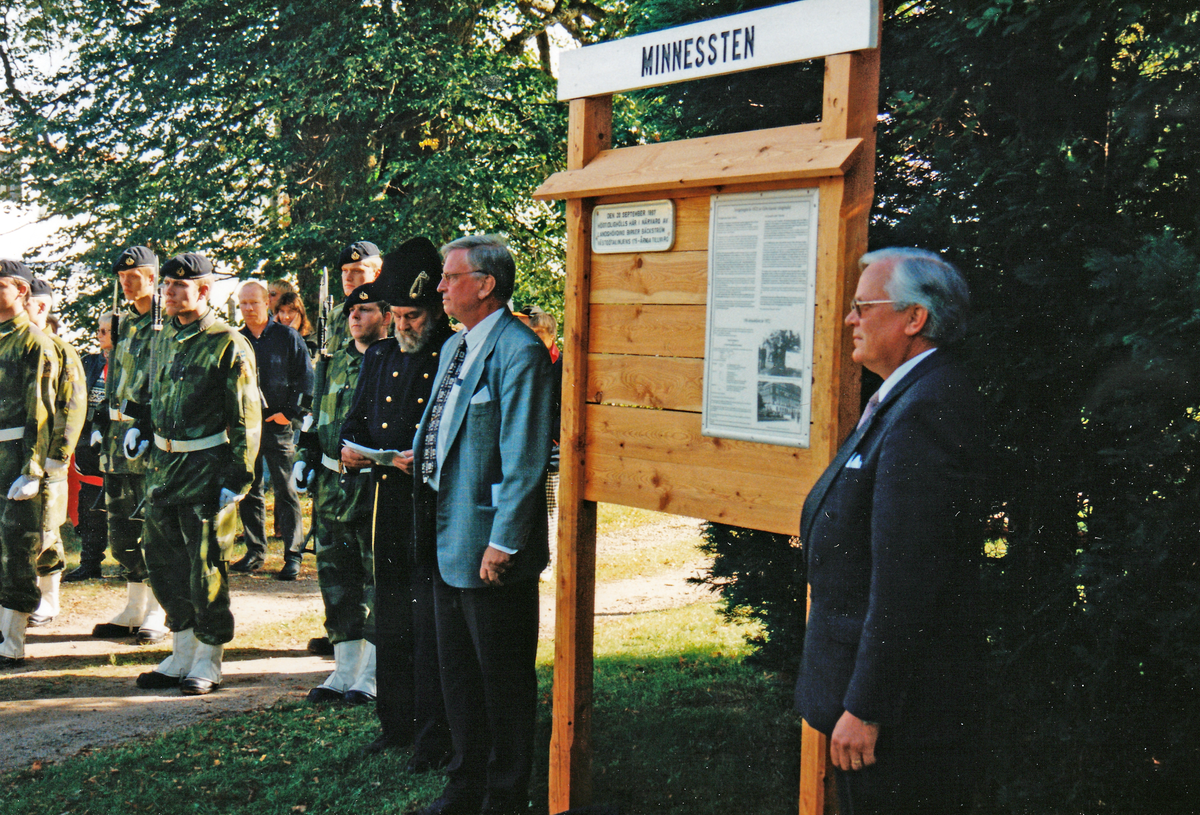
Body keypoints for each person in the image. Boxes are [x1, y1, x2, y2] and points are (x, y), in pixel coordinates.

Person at [795, 247, 987, 814]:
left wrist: (866, 707)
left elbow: (908, 579)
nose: (850, 319)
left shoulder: (926, 407)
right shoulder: (906, 394)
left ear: (914, 318)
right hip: (890, 704)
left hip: (900, 717)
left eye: (862, 306)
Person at [408, 236, 552, 815]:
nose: (440, 286)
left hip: (491, 545)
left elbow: (524, 457)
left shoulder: (520, 351)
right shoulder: (454, 348)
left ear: (485, 284)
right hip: (447, 535)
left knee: (503, 680)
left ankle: (504, 793)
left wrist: (503, 541)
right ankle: (464, 784)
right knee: (458, 676)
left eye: (450, 276)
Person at [341, 237, 454, 763]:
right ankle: (396, 722)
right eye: (399, 315)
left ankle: (435, 734)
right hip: (387, 503)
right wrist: (373, 456)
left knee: (430, 621)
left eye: (415, 316)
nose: (405, 326)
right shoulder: (381, 355)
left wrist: (381, 454)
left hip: (434, 507)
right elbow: (349, 434)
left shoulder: (454, 353)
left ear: (435, 309)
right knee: (390, 613)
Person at [135, 252, 261, 695]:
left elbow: (246, 417)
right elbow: (152, 394)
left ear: (204, 291)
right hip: (164, 467)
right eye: (165, 285)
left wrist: (238, 479)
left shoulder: (227, 341)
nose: (167, 293)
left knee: (205, 564)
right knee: (163, 561)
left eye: (179, 286)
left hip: (206, 467)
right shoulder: (165, 336)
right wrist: (138, 428)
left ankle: (208, 658)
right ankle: (181, 650)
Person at [296, 279, 389, 705]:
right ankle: (343, 668)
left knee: (378, 577)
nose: (355, 315)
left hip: (376, 485)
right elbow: (315, 417)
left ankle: (373, 671)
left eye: (366, 310)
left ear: (387, 316)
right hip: (332, 484)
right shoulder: (331, 362)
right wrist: (304, 456)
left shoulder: (394, 359)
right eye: (352, 309)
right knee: (336, 576)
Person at [90, 246, 170, 643]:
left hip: (150, 438)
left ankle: (159, 609)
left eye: (134, 275)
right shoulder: (124, 324)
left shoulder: (166, 322)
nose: (126, 282)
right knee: (120, 528)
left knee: (153, 527)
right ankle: (134, 605)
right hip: (118, 438)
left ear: (152, 277)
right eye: (122, 277)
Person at [232, 281, 313, 580]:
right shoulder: (235, 340)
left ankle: (293, 555)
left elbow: (306, 381)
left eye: (254, 302)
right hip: (245, 428)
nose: (249, 308)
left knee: (285, 489)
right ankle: (255, 552)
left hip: (278, 427)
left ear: (267, 302)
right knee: (250, 489)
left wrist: (288, 414)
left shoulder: (287, 337)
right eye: (243, 303)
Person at [0, 260, 58, 666]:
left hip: (16, 456)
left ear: (21, 291)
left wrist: (33, 470)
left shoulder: (33, 341)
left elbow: (42, 412)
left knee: (17, 548)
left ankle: (12, 640)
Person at [24, 278, 87, 628]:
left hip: (47, 459)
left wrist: (57, 456)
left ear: (42, 307)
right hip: (14, 456)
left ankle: (48, 598)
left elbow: (73, 406)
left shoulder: (60, 349)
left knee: (46, 529)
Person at [65, 312, 113, 581]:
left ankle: (135, 566)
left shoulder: (134, 364)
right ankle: (90, 562)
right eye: (99, 329)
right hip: (88, 446)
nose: (100, 335)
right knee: (89, 504)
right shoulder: (89, 362)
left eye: (106, 330)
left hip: (119, 444)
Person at [517, 304, 562, 581]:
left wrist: (554, 438)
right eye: (529, 331)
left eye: (539, 332)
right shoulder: (524, 361)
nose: (534, 337)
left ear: (551, 335)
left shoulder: (562, 364)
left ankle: (551, 562)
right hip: (525, 451)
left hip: (552, 452)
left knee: (551, 509)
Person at [275, 291, 317, 356]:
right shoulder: (273, 338)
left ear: (300, 314)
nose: (286, 317)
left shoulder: (311, 342)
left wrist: (292, 332)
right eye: (282, 311)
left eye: (290, 311)